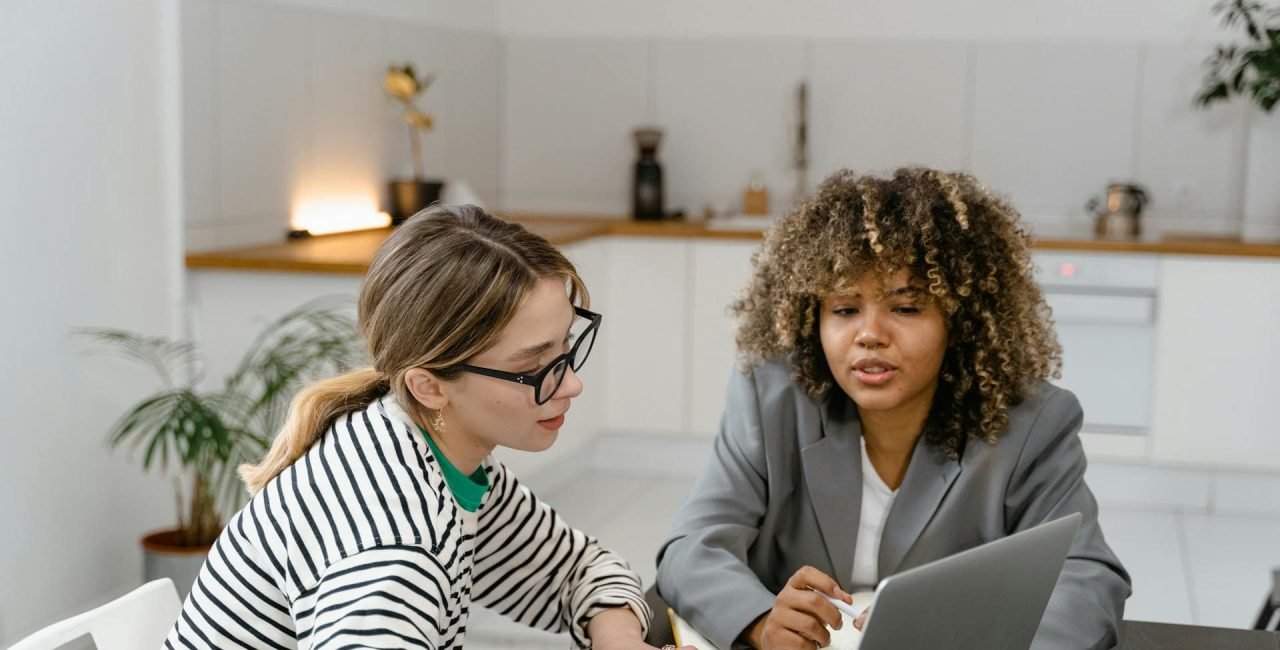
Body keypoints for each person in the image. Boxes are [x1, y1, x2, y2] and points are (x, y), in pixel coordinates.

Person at [655, 168, 1131, 650]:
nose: (870, 334)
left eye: (905, 308)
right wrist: (759, 621)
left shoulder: (1031, 422)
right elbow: (692, 547)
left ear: (958, 319)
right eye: (844, 309)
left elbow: (1088, 580)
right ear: (811, 316)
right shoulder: (773, 397)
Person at [166, 204, 674, 649]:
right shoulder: (394, 549)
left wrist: (618, 640)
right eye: (536, 367)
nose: (571, 386)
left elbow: (579, 570)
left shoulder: (436, 456)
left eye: (566, 347)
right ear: (429, 385)